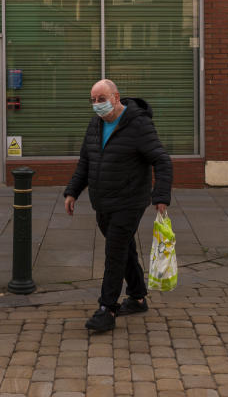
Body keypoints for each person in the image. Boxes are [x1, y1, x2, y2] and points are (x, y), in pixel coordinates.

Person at [64, 79, 172, 333]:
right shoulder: (95, 124)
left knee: (114, 252)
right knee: (124, 249)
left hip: (129, 200)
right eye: (93, 100)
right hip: (103, 201)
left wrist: (161, 197)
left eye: (101, 99)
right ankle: (137, 297)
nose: (97, 105)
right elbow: (85, 162)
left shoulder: (138, 125)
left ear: (116, 96)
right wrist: (73, 192)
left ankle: (107, 309)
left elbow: (162, 160)